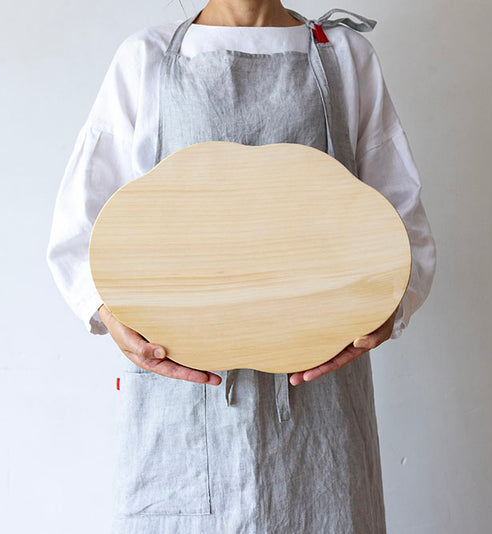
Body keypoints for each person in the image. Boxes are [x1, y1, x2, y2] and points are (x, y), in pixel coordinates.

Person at [45, 1, 436, 532]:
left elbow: (401, 224)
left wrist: (388, 311)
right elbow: (80, 226)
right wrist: (108, 315)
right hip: (184, 403)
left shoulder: (344, 57)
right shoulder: (147, 59)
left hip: (321, 408)